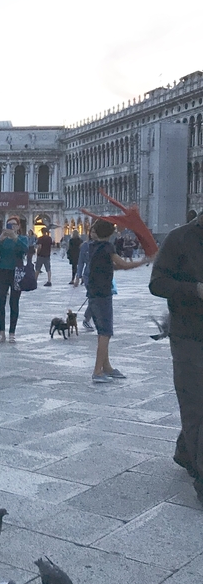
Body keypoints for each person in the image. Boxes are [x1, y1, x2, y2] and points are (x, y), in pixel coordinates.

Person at [150, 211, 203, 501]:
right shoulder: (179, 238)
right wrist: (195, 290)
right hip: (188, 333)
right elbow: (157, 282)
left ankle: (186, 451)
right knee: (194, 400)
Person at [74, 219, 148, 382]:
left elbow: (110, 265)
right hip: (103, 294)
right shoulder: (108, 247)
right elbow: (122, 264)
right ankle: (97, 371)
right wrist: (143, 261)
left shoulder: (92, 246)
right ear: (110, 233)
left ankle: (106, 367)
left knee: (102, 331)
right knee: (105, 333)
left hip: (94, 293)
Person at [0, 217, 29, 344]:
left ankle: (12, 333)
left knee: (14, 302)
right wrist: (1, 238)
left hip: (17, 272)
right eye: (9, 225)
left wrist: (15, 237)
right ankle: (1, 332)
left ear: (18, 226)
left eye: (14, 225)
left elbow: (26, 249)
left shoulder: (22, 238)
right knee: (0, 301)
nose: (11, 227)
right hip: (2, 271)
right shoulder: (3, 239)